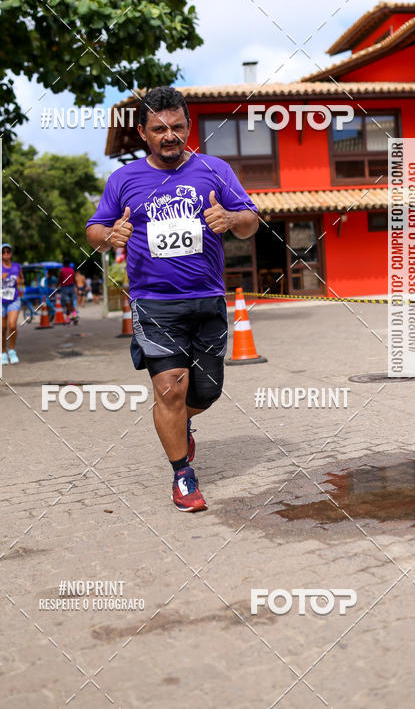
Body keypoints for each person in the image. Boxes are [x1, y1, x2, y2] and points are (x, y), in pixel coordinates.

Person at [86, 85, 259, 512]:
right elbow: (94, 230)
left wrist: (230, 218)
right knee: (169, 391)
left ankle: (179, 426)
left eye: (177, 127)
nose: (170, 136)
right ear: (143, 133)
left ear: (189, 127)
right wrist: (110, 234)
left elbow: (250, 221)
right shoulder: (123, 179)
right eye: (159, 129)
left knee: (207, 391)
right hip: (154, 303)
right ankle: (183, 475)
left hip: (207, 300)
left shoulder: (215, 169)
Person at [0, 243, 24, 364]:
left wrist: (19, 281)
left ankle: (12, 350)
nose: (6, 254)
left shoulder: (17, 266)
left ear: (11, 253)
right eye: (3, 252)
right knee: (2, 328)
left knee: (12, 325)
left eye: (8, 251)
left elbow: (22, 279)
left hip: (14, 300)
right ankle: (3, 352)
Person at [58, 258, 77, 323]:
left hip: (65, 288)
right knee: (71, 303)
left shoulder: (61, 270)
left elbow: (59, 279)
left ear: (64, 263)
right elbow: (74, 279)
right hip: (71, 287)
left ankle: (68, 319)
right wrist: (76, 287)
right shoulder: (72, 270)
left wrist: (57, 286)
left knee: (67, 304)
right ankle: (74, 315)